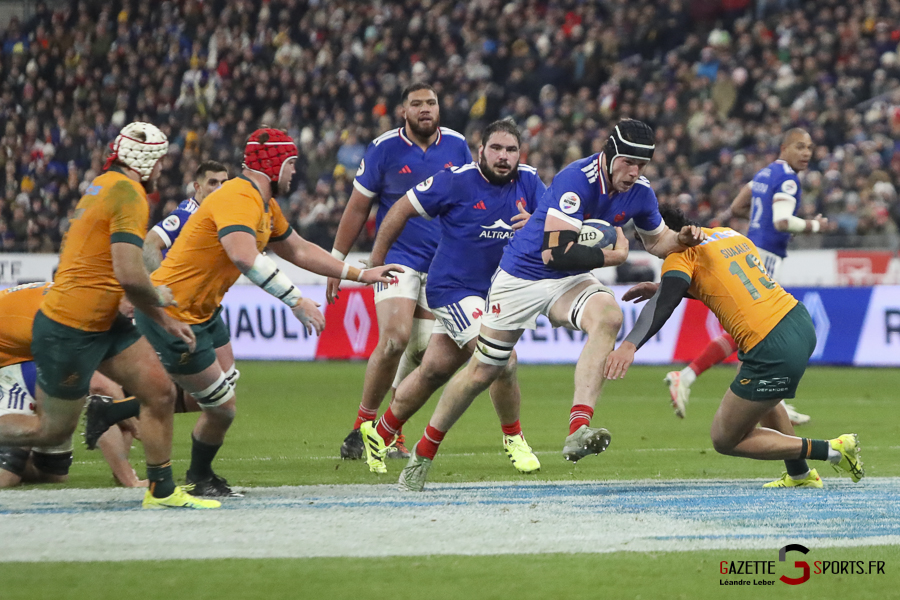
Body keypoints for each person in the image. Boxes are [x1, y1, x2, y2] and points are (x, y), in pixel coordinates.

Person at [396, 119, 706, 492]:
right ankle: (424, 451)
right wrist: (613, 257)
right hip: (522, 275)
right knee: (483, 371)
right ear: (609, 156)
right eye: (627, 162)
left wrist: (683, 238)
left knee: (609, 316)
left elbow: (658, 243)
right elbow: (555, 252)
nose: (634, 172)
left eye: (642, 165)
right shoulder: (576, 180)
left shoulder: (639, 191)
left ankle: (579, 428)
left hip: (566, 280)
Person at [134, 128, 402, 495]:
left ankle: (178, 457)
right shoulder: (239, 196)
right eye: (291, 164)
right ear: (275, 164)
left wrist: (361, 274)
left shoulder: (263, 204)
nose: (294, 173)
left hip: (202, 310)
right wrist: (296, 299)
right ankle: (190, 477)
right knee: (220, 405)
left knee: (218, 393)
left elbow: (300, 250)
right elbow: (244, 257)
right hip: (175, 311)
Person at [7, 122, 219, 509]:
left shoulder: (103, 184)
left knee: (159, 390)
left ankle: (161, 490)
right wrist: (164, 311)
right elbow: (128, 272)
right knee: (51, 429)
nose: (161, 170)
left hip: (100, 318)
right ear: (145, 162)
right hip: (70, 325)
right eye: (158, 162)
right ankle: (160, 488)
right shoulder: (129, 194)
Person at [605, 206, 862, 488]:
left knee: (725, 438)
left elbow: (665, 305)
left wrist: (629, 344)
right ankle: (800, 475)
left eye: (648, 241)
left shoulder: (679, 254)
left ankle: (833, 449)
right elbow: (724, 283)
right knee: (760, 396)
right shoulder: (728, 235)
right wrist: (663, 287)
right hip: (797, 319)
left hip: (771, 343)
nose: (652, 249)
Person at [358, 120, 544, 475]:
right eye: (496, 149)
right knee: (503, 360)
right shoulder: (455, 180)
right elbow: (401, 208)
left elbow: (553, 225)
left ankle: (379, 433)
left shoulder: (531, 183)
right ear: (480, 152)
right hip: (453, 290)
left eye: (511, 150)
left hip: (497, 295)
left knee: (434, 370)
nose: (504, 157)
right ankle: (514, 438)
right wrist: (376, 261)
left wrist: (536, 222)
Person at [327, 83, 473, 461]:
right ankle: (363, 427)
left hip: (443, 265)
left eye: (432, 103)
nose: (426, 109)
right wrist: (337, 261)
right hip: (397, 258)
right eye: (417, 104)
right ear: (403, 111)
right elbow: (358, 208)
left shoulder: (457, 145)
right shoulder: (383, 149)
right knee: (395, 337)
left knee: (424, 356)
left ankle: (391, 433)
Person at [665, 128, 827, 425]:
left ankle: (764, 398)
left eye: (810, 148)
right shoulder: (789, 179)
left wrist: (757, 220)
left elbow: (737, 206)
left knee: (750, 333)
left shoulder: (765, 174)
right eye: (800, 147)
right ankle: (694, 377)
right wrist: (815, 226)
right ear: (785, 147)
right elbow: (782, 220)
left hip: (747, 247)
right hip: (763, 255)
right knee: (759, 329)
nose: (806, 153)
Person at [143, 160, 229, 272]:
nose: (220, 188)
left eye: (224, 183)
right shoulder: (187, 214)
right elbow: (150, 244)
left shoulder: (218, 214)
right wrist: (160, 285)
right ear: (198, 187)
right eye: (213, 183)